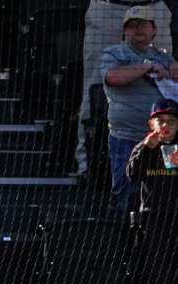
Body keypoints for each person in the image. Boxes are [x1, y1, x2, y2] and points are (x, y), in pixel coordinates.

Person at [75, 0, 172, 176]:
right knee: (94, 87)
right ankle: (87, 161)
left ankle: (166, 166)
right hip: (108, 9)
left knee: (164, 90)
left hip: (153, 8)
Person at [102, 5, 178, 218]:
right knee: (127, 188)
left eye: (144, 24)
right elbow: (113, 77)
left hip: (166, 140)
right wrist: (148, 67)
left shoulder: (164, 56)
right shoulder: (115, 53)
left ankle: (154, 239)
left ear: (154, 29)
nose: (138, 29)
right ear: (125, 30)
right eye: (132, 25)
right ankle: (122, 239)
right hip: (127, 138)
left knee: (166, 189)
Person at [126, 97, 178, 284]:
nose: (165, 125)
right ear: (151, 123)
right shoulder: (143, 146)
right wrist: (148, 149)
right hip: (154, 214)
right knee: (158, 262)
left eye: (171, 121)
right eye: (161, 120)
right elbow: (132, 173)